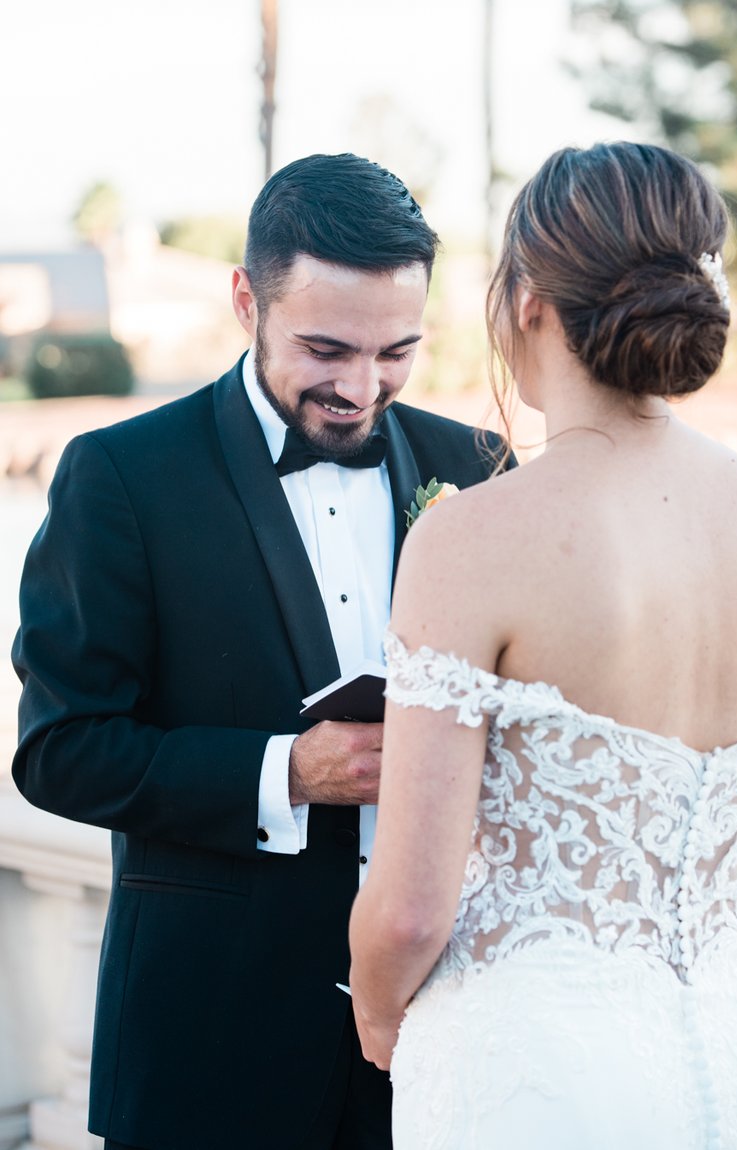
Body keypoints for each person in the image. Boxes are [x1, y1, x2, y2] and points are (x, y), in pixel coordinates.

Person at [12, 153, 503, 1148]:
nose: (363, 388)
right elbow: (59, 749)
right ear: (247, 299)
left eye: (396, 351)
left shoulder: (475, 467)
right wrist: (287, 771)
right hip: (212, 1044)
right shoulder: (121, 476)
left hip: (444, 1044)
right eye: (326, 348)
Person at [343, 141, 737, 1147]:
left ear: (528, 300)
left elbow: (408, 910)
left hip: (536, 1072)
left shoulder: (471, 538)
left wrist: (373, 1009)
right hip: (735, 1031)